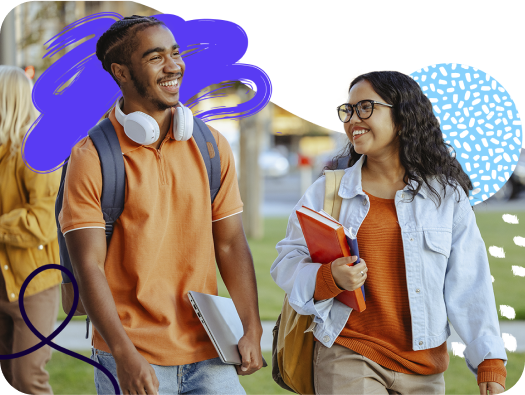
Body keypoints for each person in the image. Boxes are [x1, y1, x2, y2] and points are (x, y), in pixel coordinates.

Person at [58, 16, 263, 395]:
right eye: (155, 58)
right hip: (134, 353)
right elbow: (88, 266)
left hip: (211, 348)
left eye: (175, 53)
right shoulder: (92, 157)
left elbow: (231, 243)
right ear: (121, 73)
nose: (174, 66)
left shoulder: (210, 145)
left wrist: (252, 327)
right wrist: (123, 354)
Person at [271, 70, 507, 395]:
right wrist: (329, 277)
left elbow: (470, 282)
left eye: (365, 107)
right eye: (348, 110)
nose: (353, 118)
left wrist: (489, 361)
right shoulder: (327, 193)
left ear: (402, 113)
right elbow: (286, 262)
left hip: (425, 367)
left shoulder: (446, 197)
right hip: (349, 352)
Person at [0, 65, 62, 395]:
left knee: (27, 379)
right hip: (1, 279)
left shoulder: (38, 152)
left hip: (33, 284)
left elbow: (43, 222)